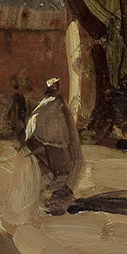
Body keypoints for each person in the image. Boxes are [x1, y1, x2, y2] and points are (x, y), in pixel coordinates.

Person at [24, 77, 83, 215]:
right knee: (56, 167)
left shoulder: (56, 106)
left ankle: (60, 197)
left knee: (57, 167)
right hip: (55, 147)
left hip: (57, 147)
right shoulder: (50, 106)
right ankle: (59, 196)